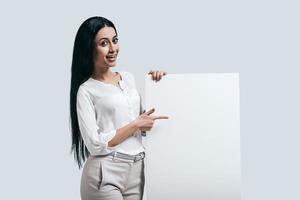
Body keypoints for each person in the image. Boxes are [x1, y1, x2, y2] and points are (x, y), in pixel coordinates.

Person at [69, 16, 168, 200]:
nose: (113, 49)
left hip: (137, 172)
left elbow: (145, 124)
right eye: (104, 43)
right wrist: (135, 125)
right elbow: (95, 144)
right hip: (104, 173)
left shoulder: (128, 78)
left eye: (115, 40)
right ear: (89, 47)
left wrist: (160, 84)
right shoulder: (86, 90)